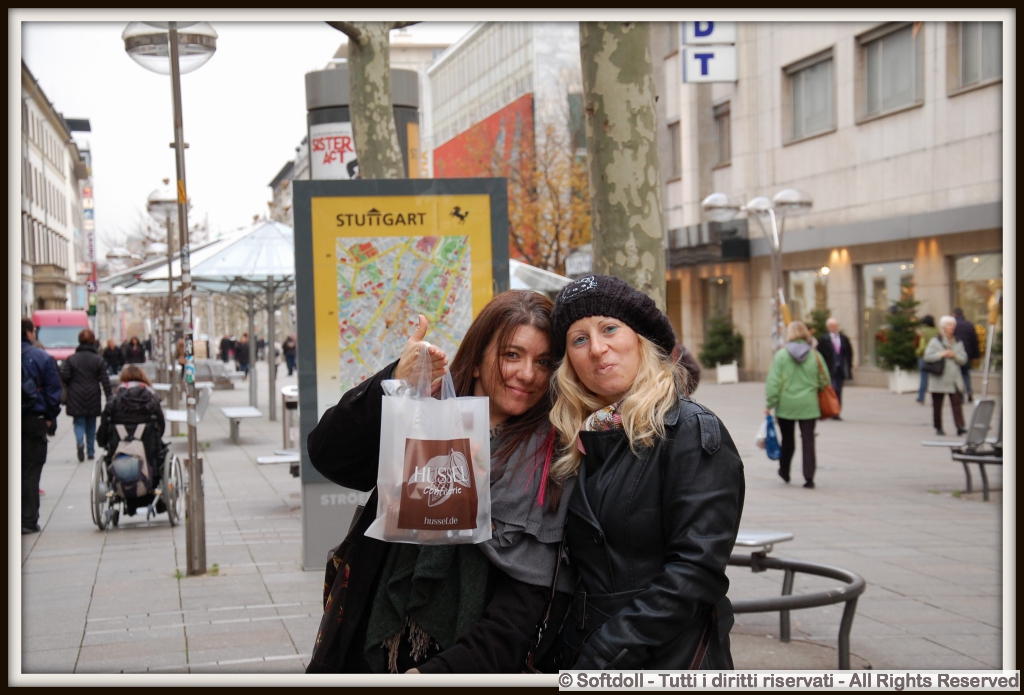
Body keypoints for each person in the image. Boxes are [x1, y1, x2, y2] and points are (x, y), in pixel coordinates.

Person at [306, 291, 573, 674]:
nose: (527, 374)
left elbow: (526, 603)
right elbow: (329, 455)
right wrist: (394, 380)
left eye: (543, 361)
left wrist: (439, 674)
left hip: (465, 665)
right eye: (512, 355)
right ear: (477, 360)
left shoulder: (553, 460)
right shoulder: (422, 416)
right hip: (367, 647)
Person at [544, 275, 745, 671]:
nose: (596, 348)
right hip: (585, 650)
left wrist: (607, 650)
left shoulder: (689, 430)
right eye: (579, 339)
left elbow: (696, 570)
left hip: (661, 657)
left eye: (609, 329)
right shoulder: (583, 433)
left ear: (641, 340)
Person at [766, 321, 830, 488]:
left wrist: (770, 403)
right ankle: (809, 477)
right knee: (808, 441)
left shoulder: (781, 356)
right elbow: (825, 380)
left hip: (786, 405)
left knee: (787, 440)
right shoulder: (815, 355)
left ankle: (784, 471)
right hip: (809, 405)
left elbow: (774, 383)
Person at [96, 364, 167, 515]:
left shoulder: (114, 401)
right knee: (160, 454)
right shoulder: (151, 398)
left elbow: (103, 428)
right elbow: (161, 426)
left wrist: (102, 442)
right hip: (148, 456)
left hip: (120, 453)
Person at [21, 318, 63, 534]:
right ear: (29, 333)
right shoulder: (41, 357)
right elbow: (54, 391)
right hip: (33, 419)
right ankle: (27, 520)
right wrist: (49, 416)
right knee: (30, 470)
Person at [60, 329, 114, 463]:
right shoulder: (98, 359)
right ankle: (90, 451)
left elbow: (64, 376)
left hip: (75, 394)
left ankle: (80, 442)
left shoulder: (72, 359)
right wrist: (109, 397)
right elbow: (105, 380)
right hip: (93, 393)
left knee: (78, 422)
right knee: (91, 423)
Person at [924, 316, 968, 436]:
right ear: (943, 327)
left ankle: (960, 426)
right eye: (949, 325)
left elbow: (963, 359)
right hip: (939, 378)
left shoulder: (958, 342)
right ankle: (938, 427)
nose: (952, 327)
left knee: (957, 403)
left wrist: (954, 355)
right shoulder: (935, 341)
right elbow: (927, 357)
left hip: (954, 379)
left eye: (953, 325)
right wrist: (941, 354)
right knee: (937, 405)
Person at [815, 317, 854, 418]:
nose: (835, 328)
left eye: (836, 326)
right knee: (830, 390)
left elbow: (849, 354)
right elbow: (819, 354)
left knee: (839, 390)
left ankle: (837, 411)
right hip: (829, 369)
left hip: (840, 369)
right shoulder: (823, 339)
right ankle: (829, 409)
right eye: (832, 326)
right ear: (828, 327)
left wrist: (848, 366)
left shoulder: (844, 339)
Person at [952, 308, 980, 403]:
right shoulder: (969, 325)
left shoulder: (953, 325)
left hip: (956, 353)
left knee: (958, 375)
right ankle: (969, 391)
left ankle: (961, 395)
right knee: (966, 374)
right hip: (968, 353)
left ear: (954, 314)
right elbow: (975, 341)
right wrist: (976, 355)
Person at [915, 316, 939, 405]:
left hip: (924, 357)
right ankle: (935, 399)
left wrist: (918, 353)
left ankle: (921, 397)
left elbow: (921, 346)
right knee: (934, 379)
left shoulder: (921, 331)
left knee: (923, 378)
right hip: (935, 357)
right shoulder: (937, 331)